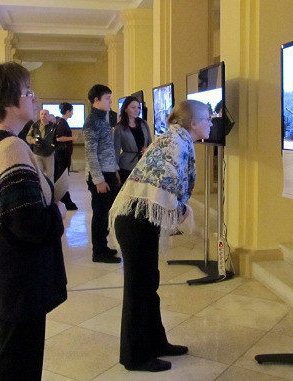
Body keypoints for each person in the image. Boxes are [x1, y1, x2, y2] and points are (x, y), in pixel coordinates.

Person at [0, 61, 67, 381]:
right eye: (28, 92)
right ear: (10, 102)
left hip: (6, 273)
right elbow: (30, 225)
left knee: (13, 353)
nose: (34, 98)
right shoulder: (10, 146)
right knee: (20, 361)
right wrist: (58, 213)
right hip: (21, 277)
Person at [109, 100, 213, 372]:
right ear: (193, 124)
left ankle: (156, 342)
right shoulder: (175, 143)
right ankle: (135, 356)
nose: (211, 124)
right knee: (138, 290)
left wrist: (178, 208)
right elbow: (164, 185)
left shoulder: (176, 139)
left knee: (148, 284)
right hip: (136, 220)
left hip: (139, 219)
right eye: (208, 119)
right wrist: (180, 210)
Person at [83, 84, 121, 263]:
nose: (110, 102)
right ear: (96, 100)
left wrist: (115, 171)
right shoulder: (92, 122)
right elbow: (91, 153)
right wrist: (98, 180)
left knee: (106, 212)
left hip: (108, 172)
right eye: (107, 98)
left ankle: (103, 245)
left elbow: (108, 150)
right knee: (100, 214)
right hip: (100, 175)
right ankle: (98, 252)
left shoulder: (103, 120)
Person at [114, 96, 152, 184]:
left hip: (144, 164)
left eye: (138, 107)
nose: (136, 110)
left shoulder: (143, 123)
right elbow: (116, 150)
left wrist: (147, 150)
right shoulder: (119, 127)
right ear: (125, 109)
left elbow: (150, 142)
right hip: (127, 165)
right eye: (133, 107)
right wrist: (115, 170)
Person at [55, 102, 78, 210]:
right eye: (72, 111)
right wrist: (72, 138)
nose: (73, 113)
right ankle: (65, 200)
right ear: (68, 111)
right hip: (63, 154)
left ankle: (64, 199)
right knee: (62, 177)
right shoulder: (62, 122)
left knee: (62, 176)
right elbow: (59, 138)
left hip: (63, 153)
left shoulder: (61, 122)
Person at [26, 109, 57, 180]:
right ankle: (41, 190)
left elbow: (57, 138)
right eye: (42, 114)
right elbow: (28, 136)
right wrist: (32, 140)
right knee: (39, 174)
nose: (43, 116)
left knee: (50, 175)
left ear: (48, 116)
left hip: (49, 154)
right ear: (39, 116)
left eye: (45, 114)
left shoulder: (53, 126)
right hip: (37, 153)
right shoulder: (35, 125)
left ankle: (50, 190)